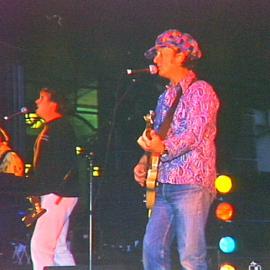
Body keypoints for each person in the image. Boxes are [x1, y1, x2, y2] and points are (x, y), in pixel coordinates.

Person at [133, 29, 220, 270]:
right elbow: (160, 137)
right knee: (152, 249)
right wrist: (144, 160)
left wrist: (163, 148)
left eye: (161, 53)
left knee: (190, 256)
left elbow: (193, 134)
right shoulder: (165, 97)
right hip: (165, 184)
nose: (155, 59)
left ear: (181, 56)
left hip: (191, 183)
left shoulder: (201, 90)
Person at [0, 87, 80, 270]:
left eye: (42, 98)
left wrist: (29, 185)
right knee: (58, 248)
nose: (36, 101)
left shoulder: (59, 129)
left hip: (58, 193)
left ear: (55, 104)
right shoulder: (54, 128)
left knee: (41, 246)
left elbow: (54, 169)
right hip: (57, 193)